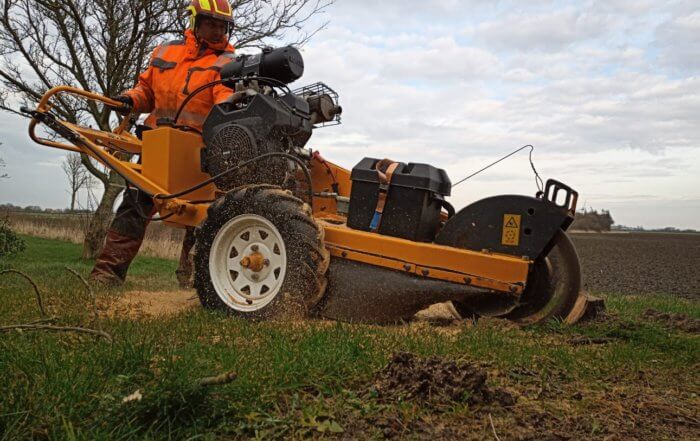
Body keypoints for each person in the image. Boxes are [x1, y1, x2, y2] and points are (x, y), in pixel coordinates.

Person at [90, 0, 236, 287]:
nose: (218, 30)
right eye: (211, 23)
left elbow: (224, 100)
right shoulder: (165, 51)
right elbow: (146, 90)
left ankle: (192, 280)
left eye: (223, 25)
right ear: (194, 22)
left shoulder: (228, 64)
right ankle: (107, 274)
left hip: (198, 150)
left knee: (202, 213)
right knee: (134, 205)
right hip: (157, 143)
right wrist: (130, 99)